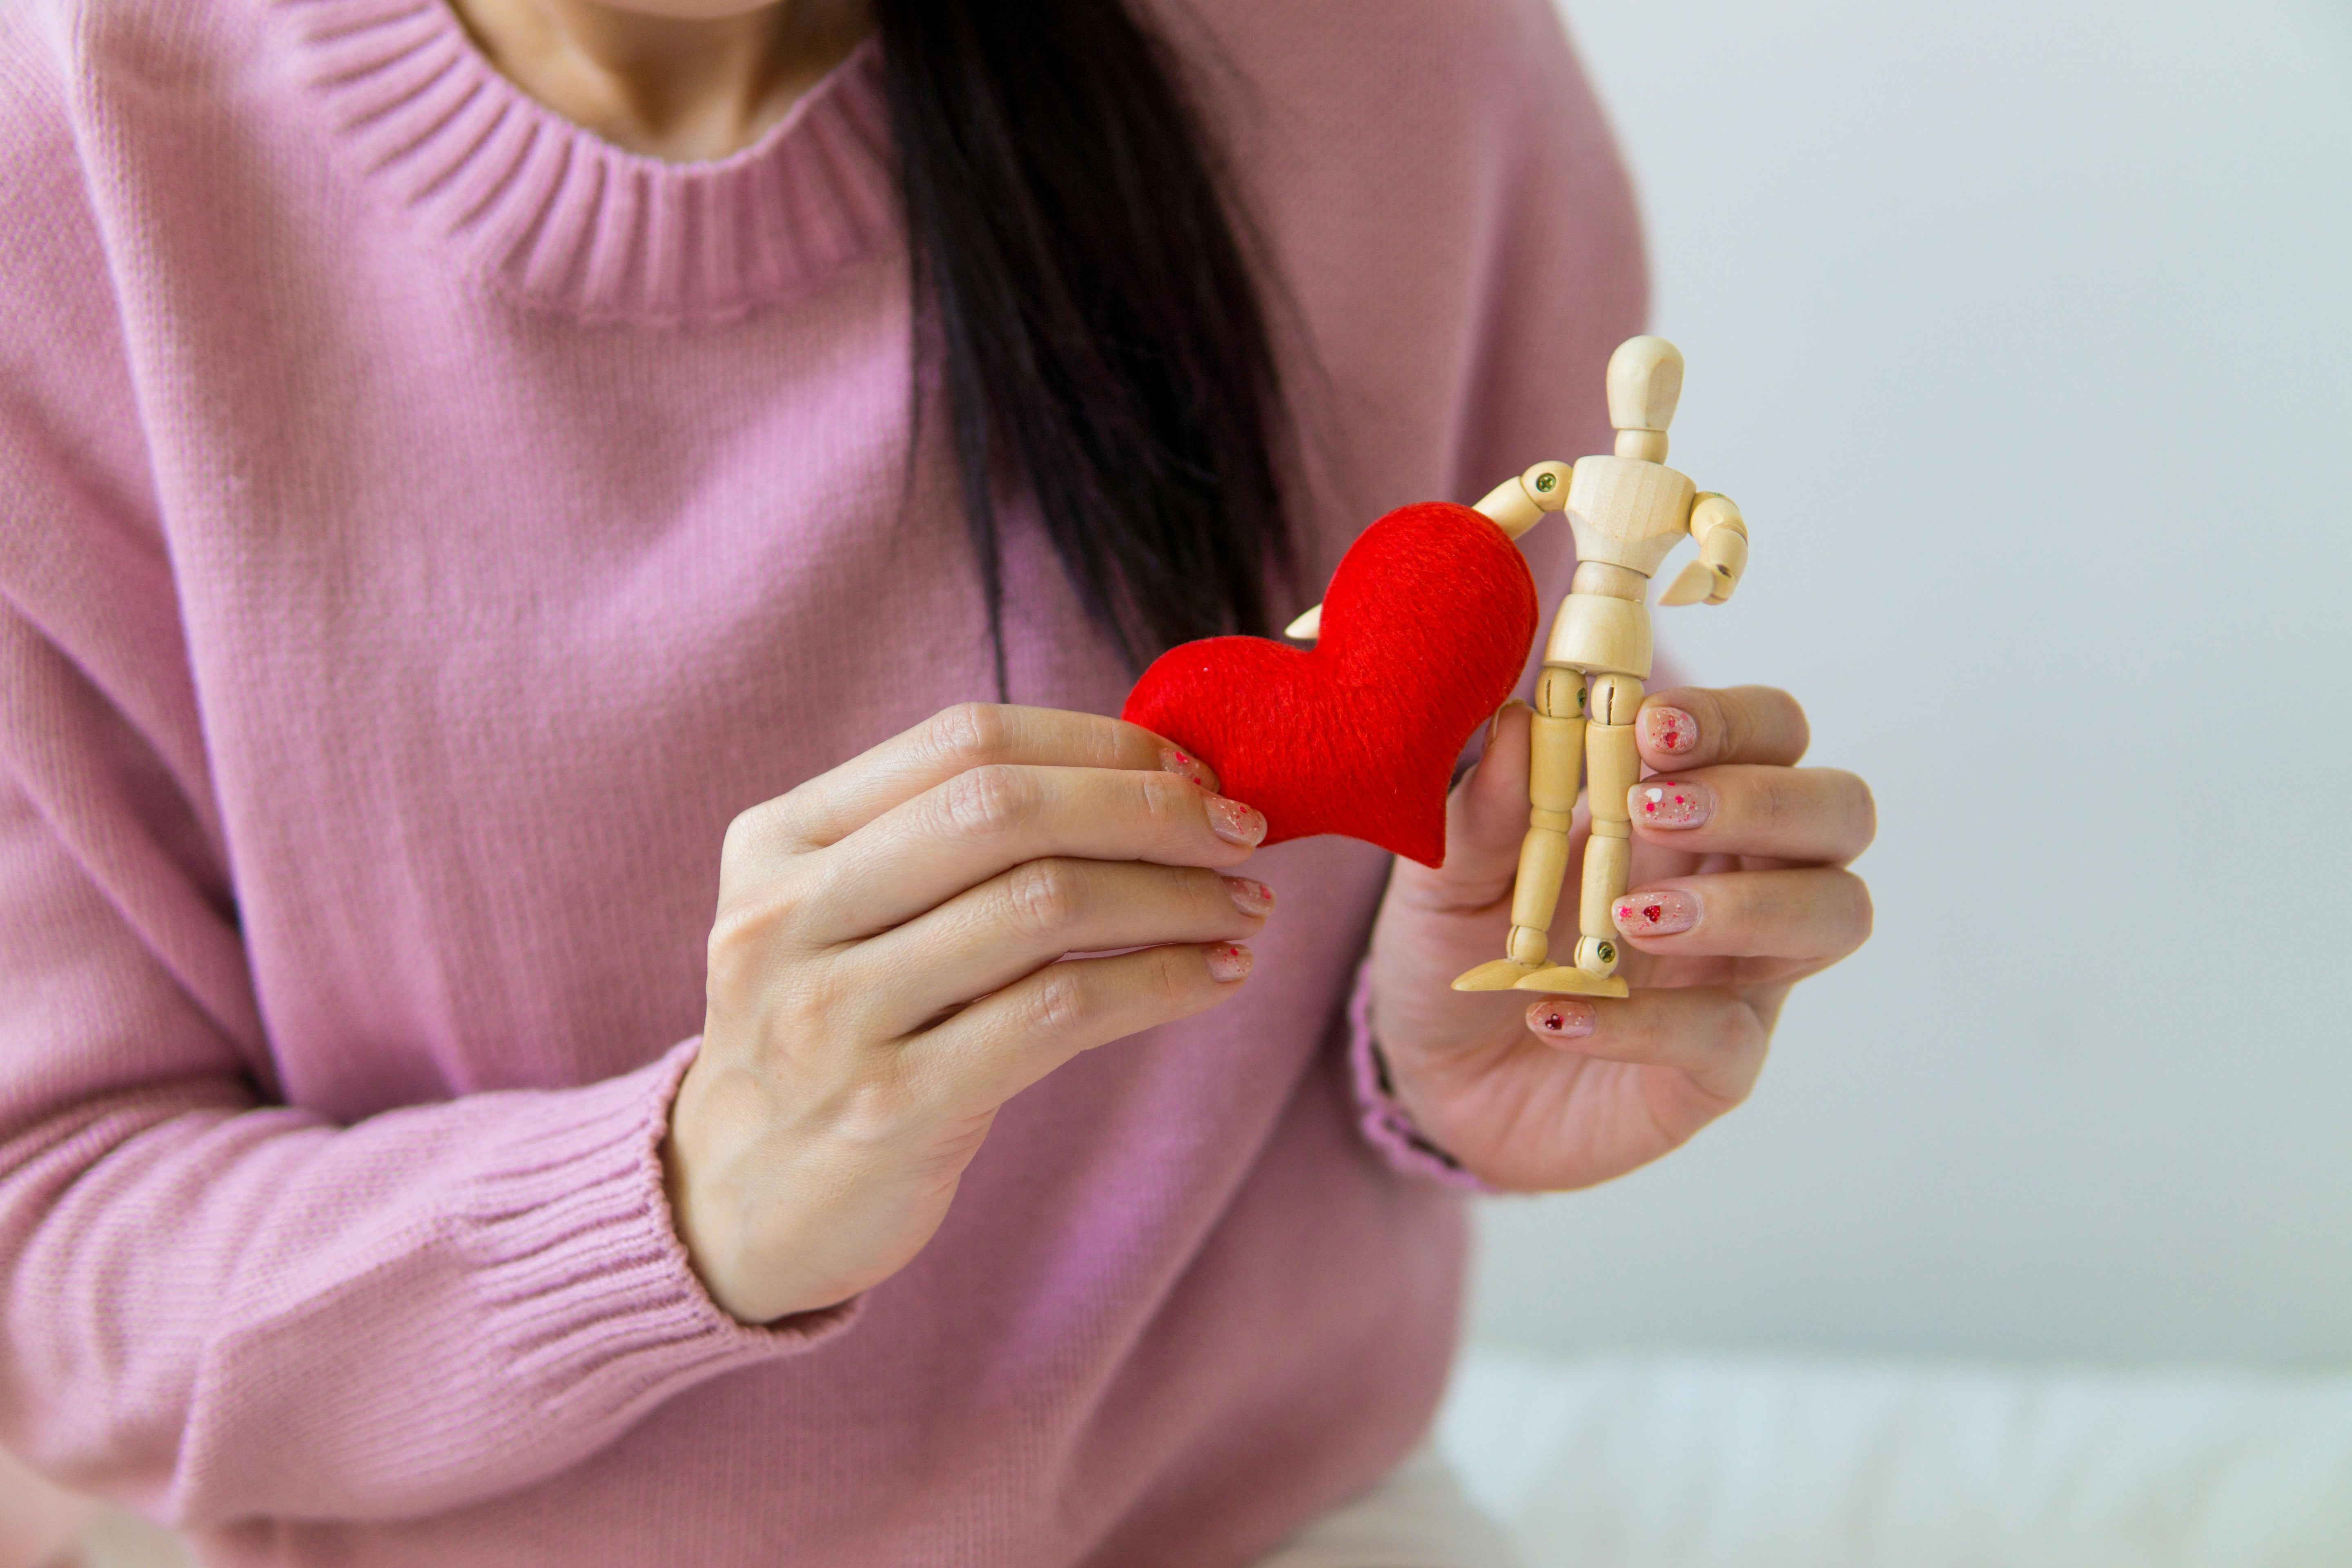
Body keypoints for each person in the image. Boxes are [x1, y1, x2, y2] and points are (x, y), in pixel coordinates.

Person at [0, 0, 1875, 1562]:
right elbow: (52, 1266)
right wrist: (688, 1198)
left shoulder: (1404, 61)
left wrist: (1454, 1047)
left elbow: (1466, 786)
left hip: (1258, 1525)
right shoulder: (64, 191)